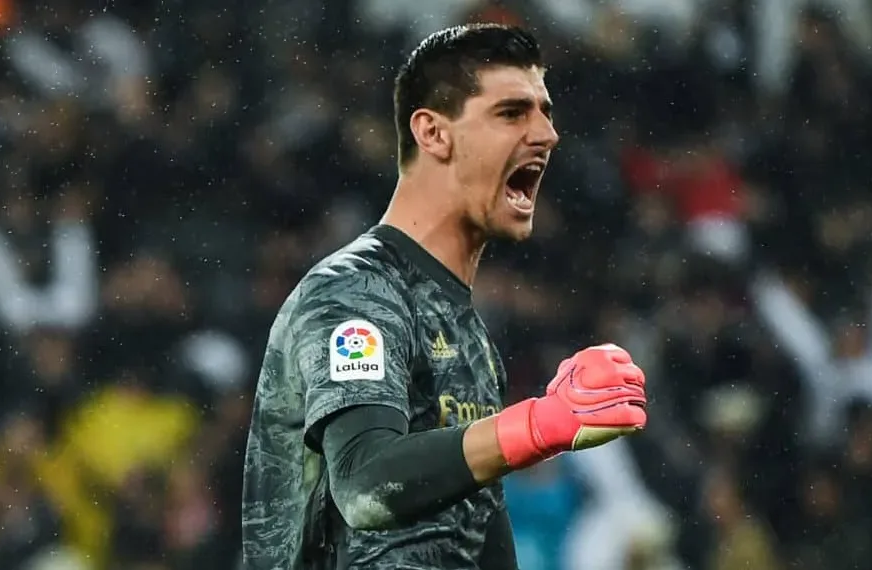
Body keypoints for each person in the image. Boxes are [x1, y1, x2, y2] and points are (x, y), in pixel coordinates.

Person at [242, 24, 649, 570]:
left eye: (545, 112)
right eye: (512, 113)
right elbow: (365, 483)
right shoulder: (355, 292)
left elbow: (482, 546)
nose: (547, 134)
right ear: (433, 133)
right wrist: (539, 424)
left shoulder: (472, 340)